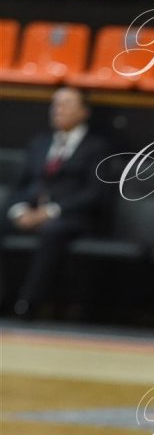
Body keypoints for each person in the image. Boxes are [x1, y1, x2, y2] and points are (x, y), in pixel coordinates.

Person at [1, 85, 110, 319]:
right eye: (55, 104)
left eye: (66, 104)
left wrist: (50, 211)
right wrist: (19, 210)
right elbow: (20, 185)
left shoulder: (97, 147)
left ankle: (28, 303)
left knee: (52, 231)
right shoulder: (39, 143)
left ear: (84, 112)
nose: (58, 109)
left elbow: (95, 192)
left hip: (72, 217)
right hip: (31, 212)